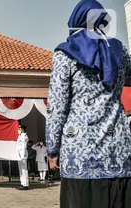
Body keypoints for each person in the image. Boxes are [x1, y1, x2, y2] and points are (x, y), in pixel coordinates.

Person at [47, 1, 131, 207]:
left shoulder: (64, 56)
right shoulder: (119, 52)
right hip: (118, 153)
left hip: (80, 155)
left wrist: (53, 150)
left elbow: (57, 108)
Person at [16, 125, 29, 190]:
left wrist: (23, 155)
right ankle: (22, 183)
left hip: (22, 154)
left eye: (19, 129)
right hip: (19, 154)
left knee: (24, 169)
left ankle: (25, 184)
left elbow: (24, 146)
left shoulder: (24, 136)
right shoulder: (19, 136)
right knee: (20, 169)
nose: (18, 130)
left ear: (23, 129)